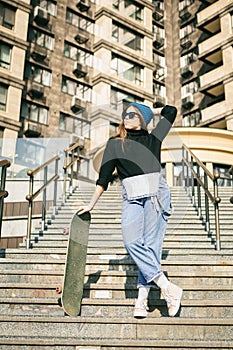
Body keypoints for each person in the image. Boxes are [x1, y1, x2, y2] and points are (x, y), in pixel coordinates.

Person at [78, 102, 182, 318]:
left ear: (142, 119)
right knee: (131, 241)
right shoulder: (115, 143)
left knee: (151, 247)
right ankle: (167, 287)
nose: (127, 116)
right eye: (126, 114)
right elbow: (104, 176)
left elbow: (171, 111)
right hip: (132, 196)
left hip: (156, 194)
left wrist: (147, 110)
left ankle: (141, 301)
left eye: (133, 114)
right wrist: (91, 204)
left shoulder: (153, 138)